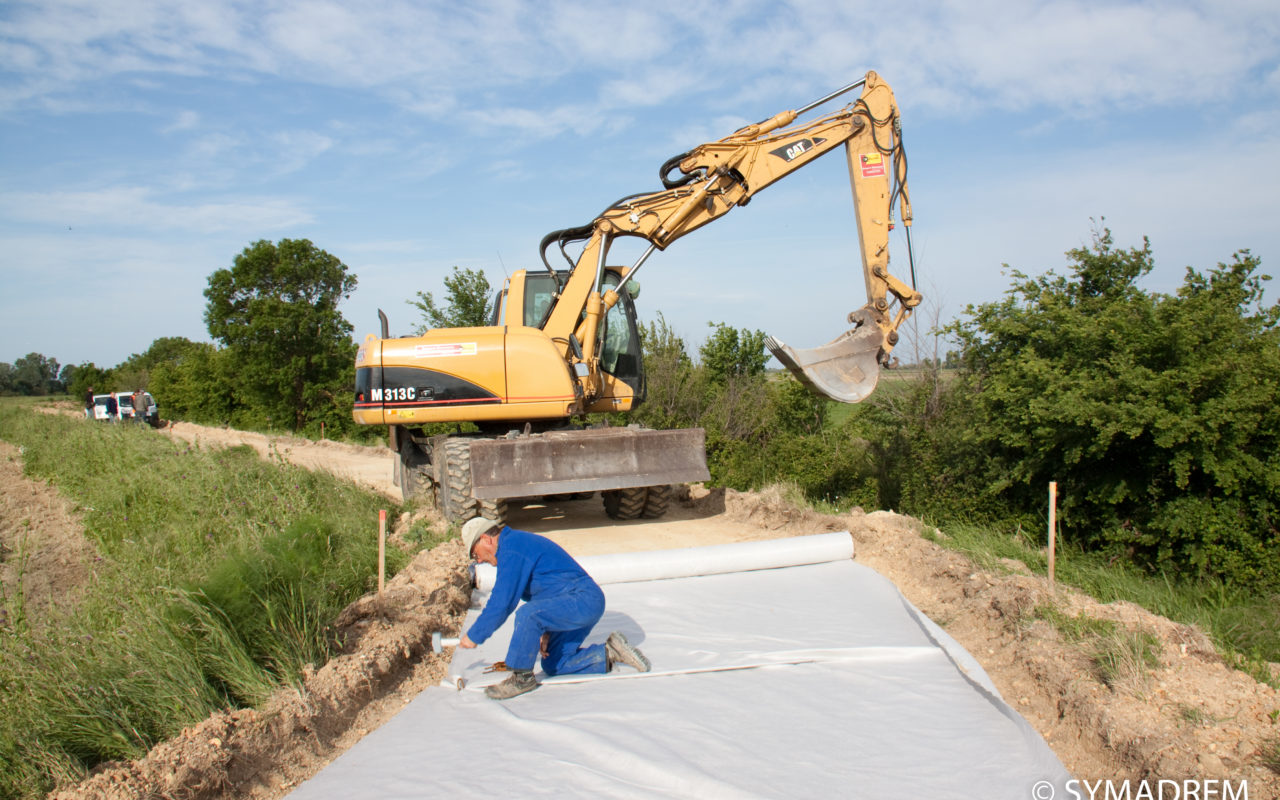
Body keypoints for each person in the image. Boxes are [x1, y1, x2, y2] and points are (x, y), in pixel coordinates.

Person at [458, 517, 651, 700]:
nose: (479, 561)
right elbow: (551, 591)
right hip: (576, 602)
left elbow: (502, 603)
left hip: (584, 600)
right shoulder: (514, 546)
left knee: (528, 615)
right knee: (554, 663)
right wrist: (548, 628)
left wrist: (474, 635)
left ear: (486, 539)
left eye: (476, 554)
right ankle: (610, 652)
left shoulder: (512, 548)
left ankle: (522, 679)